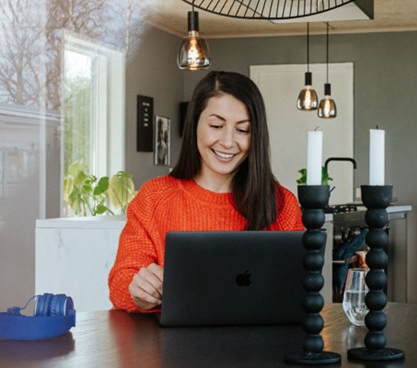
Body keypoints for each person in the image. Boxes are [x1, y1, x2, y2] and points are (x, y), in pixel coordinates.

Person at [108, 71, 304, 312]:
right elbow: (121, 281)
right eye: (216, 126)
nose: (228, 141)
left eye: (243, 130)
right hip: (172, 345)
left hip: (261, 344)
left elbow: (300, 286)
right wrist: (138, 290)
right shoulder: (155, 196)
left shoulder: (281, 203)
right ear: (195, 124)